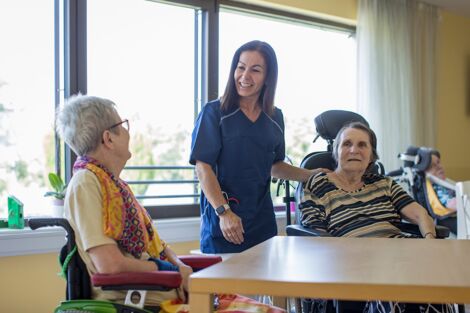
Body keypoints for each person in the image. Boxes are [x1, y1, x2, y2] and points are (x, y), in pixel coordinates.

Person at [299, 122, 454, 313]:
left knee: (436, 282)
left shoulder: (383, 183)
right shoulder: (318, 184)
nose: (354, 149)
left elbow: (420, 214)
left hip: (400, 256)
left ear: (371, 155)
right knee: (392, 288)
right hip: (354, 264)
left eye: (362, 145)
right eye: (347, 144)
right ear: (336, 152)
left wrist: (430, 240)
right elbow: (315, 240)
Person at [190, 40, 328, 253]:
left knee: (263, 285)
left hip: (262, 220)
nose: (245, 76)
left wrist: (310, 175)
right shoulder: (215, 112)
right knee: (226, 286)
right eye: (240, 67)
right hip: (224, 221)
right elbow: (202, 167)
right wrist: (224, 212)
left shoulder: (275, 117)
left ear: (267, 77)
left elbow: (275, 165)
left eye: (255, 70)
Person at [56, 95, 192, 307]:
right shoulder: (85, 183)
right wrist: (168, 270)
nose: (129, 132)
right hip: (140, 302)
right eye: (123, 125)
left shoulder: (114, 185)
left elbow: (158, 247)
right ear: (108, 138)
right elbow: (110, 265)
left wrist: (181, 267)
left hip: (167, 293)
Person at [425, 149, 457, 234]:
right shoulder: (435, 188)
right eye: (432, 166)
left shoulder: (447, 183)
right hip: (449, 219)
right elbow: (454, 203)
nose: (439, 166)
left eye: (438, 162)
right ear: (425, 172)